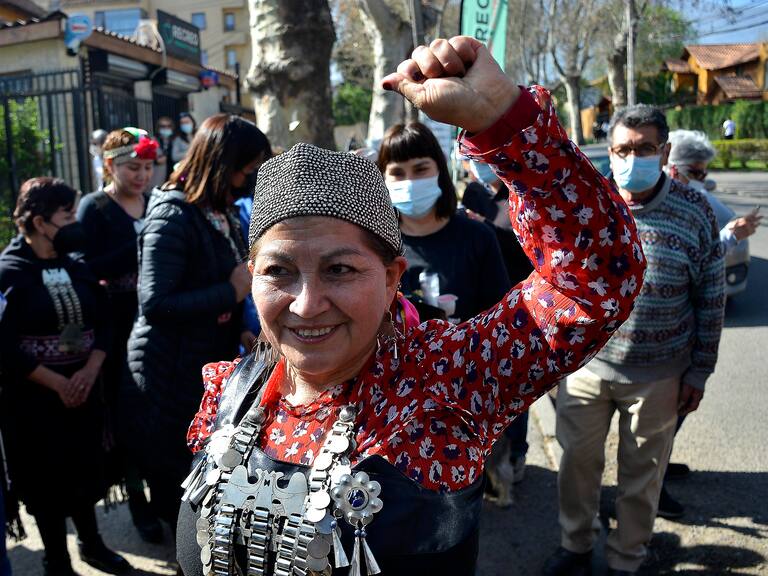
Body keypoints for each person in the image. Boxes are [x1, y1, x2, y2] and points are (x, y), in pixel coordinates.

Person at [175, 36, 645, 576]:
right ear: (251, 274)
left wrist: (503, 119)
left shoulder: (448, 381)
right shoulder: (233, 393)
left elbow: (596, 280)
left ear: (394, 276)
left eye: (340, 270)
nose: (306, 305)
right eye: (278, 271)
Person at [543, 105, 725, 576]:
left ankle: (627, 559)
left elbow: (711, 297)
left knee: (642, 477)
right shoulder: (589, 202)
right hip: (586, 368)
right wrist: (550, 358)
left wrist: (700, 370)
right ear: (610, 149)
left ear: (664, 152)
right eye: (623, 148)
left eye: (645, 148)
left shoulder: (696, 210)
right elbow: (553, 280)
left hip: (660, 374)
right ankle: (575, 546)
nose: (632, 157)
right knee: (577, 468)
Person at [122, 114, 270, 530]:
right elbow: (155, 302)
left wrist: (236, 326)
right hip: (168, 371)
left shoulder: (214, 209)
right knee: (175, 476)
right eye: (248, 166)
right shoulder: (172, 212)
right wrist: (230, 294)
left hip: (201, 361)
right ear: (225, 163)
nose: (251, 177)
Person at [0, 178, 131, 576]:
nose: (76, 222)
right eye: (67, 215)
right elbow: (3, 344)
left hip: (85, 393)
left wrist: (90, 370)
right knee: (44, 482)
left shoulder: (76, 266)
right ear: (40, 222)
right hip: (34, 402)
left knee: (84, 470)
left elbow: (104, 322)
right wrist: (56, 382)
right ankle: (55, 558)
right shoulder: (10, 271)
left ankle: (92, 545)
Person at [77, 127, 164, 543]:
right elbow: (84, 267)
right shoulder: (93, 208)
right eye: (132, 167)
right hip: (116, 326)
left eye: (147, 167)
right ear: (110, 165)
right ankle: (138, 502)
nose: (141, 175)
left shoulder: (155, 202)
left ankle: (166, 496)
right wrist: (140, 242)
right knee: (127, 418)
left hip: (157, 324)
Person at [377, 122, 511, 323]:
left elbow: (500, 321)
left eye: (420, 169)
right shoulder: (376, 245)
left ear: (439, 170)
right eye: (397, 173)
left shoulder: (478, 237)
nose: (409, 182)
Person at [463, 158, 535, 488]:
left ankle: (516, 456)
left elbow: (531, 251)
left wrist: (487, 230)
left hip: (522, 309)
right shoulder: (472, 195)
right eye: (470, 160)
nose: (477, 166)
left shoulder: (521, 194)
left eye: (482, 159)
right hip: (482, 308)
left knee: (514, 395)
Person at [668, 129, 762, 253]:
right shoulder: (657, 205)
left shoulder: (697, 205)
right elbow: (685, 260)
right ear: (673, 170)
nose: (700, 180)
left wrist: (731, 234)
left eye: (704, 174)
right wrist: (729, 237)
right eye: (696, 173)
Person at [154, 116, 175, 184]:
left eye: (168, 126)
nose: (166, 128)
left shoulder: (175, 140)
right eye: (163, 126)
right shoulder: (154, 141)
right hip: (159, 177)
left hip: (174, 176)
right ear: (158, 128)